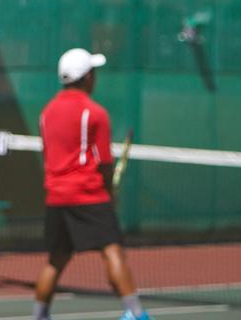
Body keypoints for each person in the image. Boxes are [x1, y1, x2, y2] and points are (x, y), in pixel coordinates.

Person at [32, 48, 151, 320]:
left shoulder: (46, 113)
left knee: (55, 260)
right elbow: (105, 162)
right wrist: (108, 193)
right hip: (88, 195)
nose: (95, 78)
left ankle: (39, 316)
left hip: (56, 197)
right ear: (86, 78)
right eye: (93, 73)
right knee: (113, 251)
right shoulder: (94, 113)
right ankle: (136, 314)